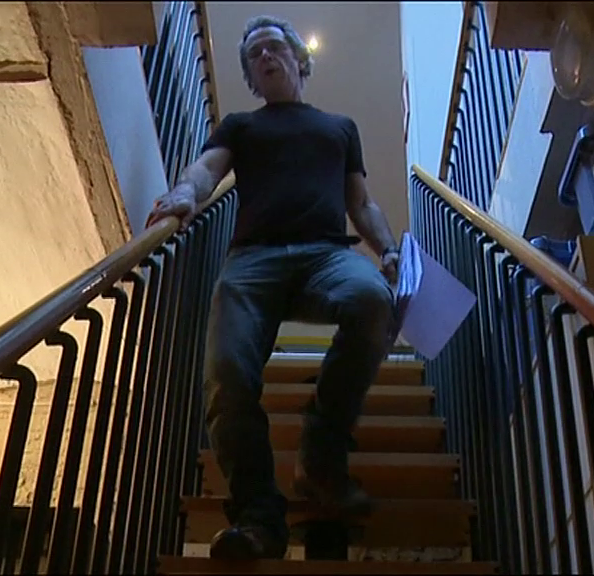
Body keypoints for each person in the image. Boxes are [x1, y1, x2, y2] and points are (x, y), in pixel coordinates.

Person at [145, 15, 400, 561]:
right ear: (251, 77)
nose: (265, 56)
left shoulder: (340, 127)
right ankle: (259, 519)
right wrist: (184, 194)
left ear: (298, 60)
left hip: (327, 254)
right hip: (252, 260)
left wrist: (389, 249)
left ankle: (321, 457)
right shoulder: (241, 125)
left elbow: (361, 202)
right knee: (228, 375)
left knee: (372, 299)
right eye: (254, 54)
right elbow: (206, 169)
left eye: (274, 47)